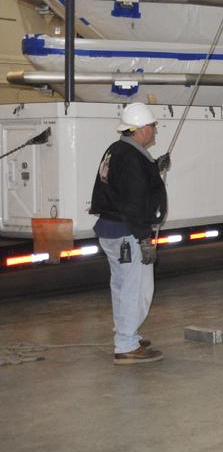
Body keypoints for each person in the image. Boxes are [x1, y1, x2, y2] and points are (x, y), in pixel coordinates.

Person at [90, 103, 169, 366]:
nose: (155, 130)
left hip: (111, 229)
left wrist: (154, 167)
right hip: (128, 233)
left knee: (122, 286)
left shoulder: (116, 150)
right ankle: (126, 345)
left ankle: (126, 333)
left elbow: (121, 186)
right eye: (153, 126)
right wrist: (144, 239)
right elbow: (133, 203)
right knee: (137, 289)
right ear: (141, 129)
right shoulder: (133, 159)